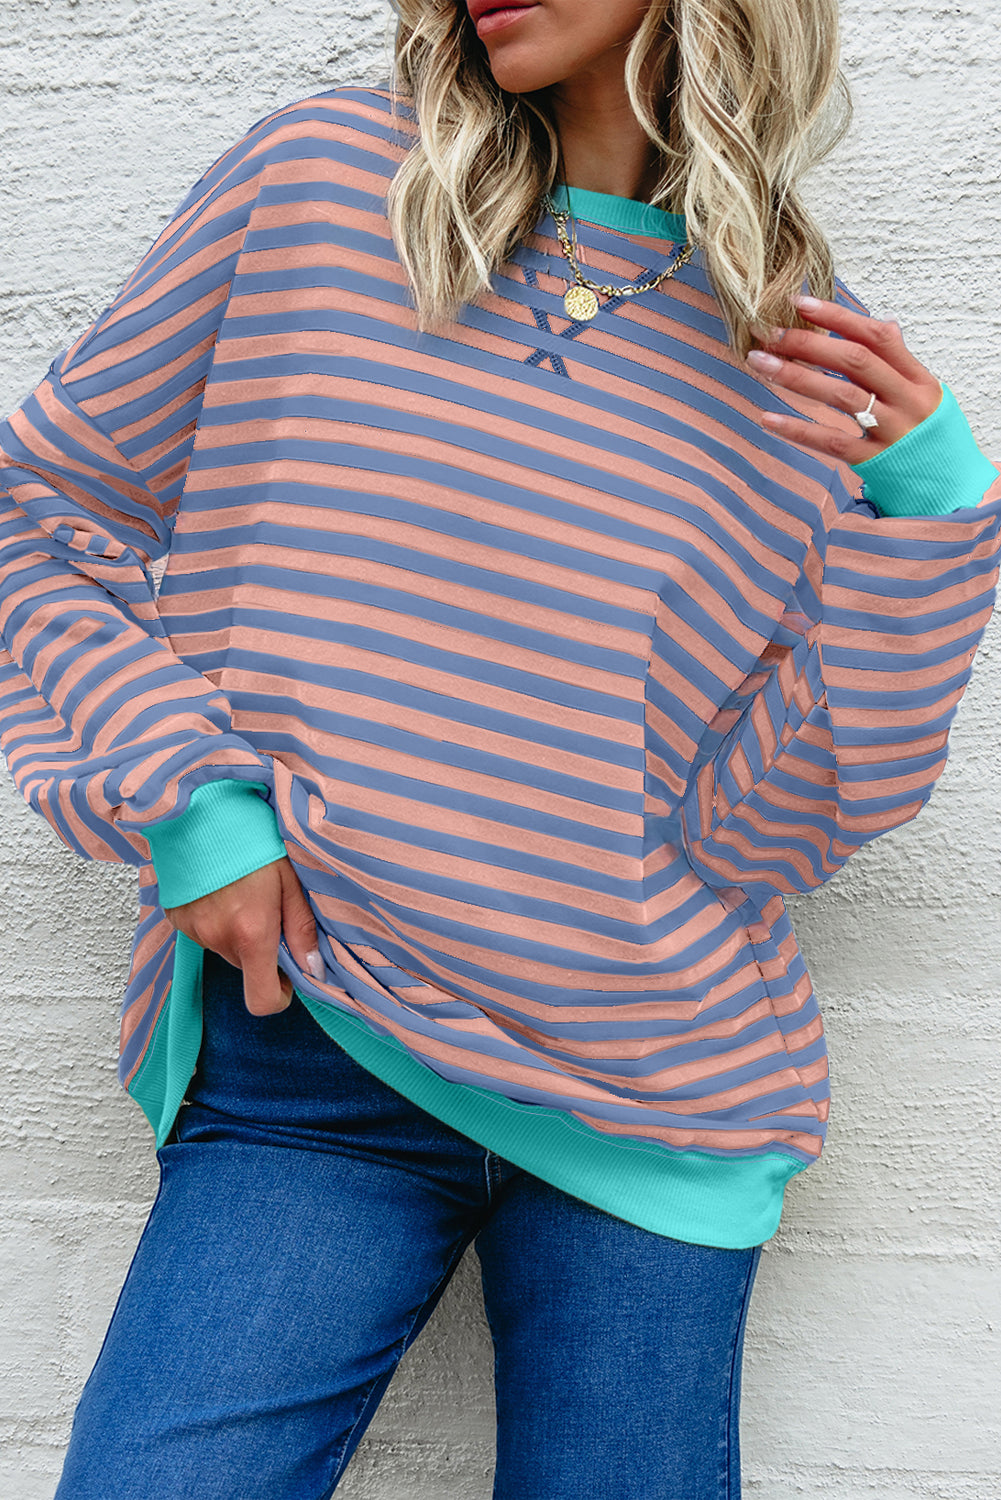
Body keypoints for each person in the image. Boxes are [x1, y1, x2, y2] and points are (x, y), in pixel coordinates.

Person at [1, 0, 998, 1495]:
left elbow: (769, 829)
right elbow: (39, 516)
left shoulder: (799, 354)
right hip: (323, 1038)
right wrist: (193, 803)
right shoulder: (322, 183)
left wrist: (930, 520)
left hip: (661, 1097)